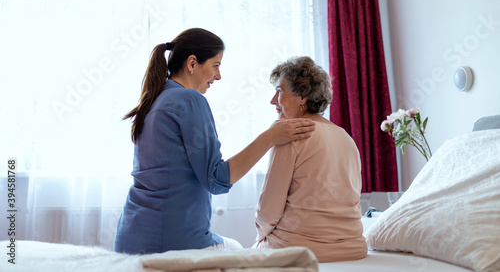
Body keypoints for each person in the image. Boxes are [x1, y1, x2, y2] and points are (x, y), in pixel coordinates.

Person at [114, 28, 315, 254]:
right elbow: (216, 179)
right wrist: (270, 137)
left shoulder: (155, 99)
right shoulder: (189, 99)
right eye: (216, 65)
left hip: (129, 238)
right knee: (241, 250)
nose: (218, 76)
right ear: (192, 63)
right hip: (169, 243)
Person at [254, 56, 367, 263]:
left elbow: (268, 213)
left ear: (303, 96)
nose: (273, 100)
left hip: (299, 250)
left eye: (280, 91)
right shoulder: (346, 138)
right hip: (353, 248)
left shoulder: (290, 134)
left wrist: (259, 238)